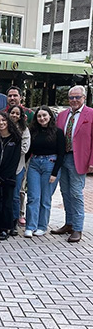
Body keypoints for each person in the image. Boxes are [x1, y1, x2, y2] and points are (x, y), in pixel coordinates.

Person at [53, 85, 93, 243]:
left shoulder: (90, 114)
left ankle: (77, 228)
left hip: (80, 159)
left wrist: (92, 162)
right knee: (65, 192)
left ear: (83, 97)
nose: (74, 100)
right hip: (63, 158)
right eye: (71, 98)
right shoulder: (62, 115)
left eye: (77, 97)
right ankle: (68, 223)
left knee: (76, 194)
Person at [25, 106, 64, 238]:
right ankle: (30, 226)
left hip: (50, 164)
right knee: (33, 197)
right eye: (39, 116)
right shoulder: (32, 131)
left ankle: (42, 226)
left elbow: (61, 154)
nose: (42, 118)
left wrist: (54, 173)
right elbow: (28, 150)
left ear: (50, 117)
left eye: (44, 115)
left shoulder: (58, 132)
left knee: (45, 199)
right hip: (34, 164)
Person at [0, 112, 21, 241]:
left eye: (3, 120)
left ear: (8, 122)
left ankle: (5, 228)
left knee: (7, 202)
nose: (1, 123)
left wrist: (4, 177)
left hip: (8, 177)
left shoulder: (15, 139)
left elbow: (15, 161)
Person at [8, 105, 31, 234]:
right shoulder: (3, 126)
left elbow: (24, 149)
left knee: (15, 196)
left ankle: (13, 222)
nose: (15, 115)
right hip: (4, 167)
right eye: (12, 113)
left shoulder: (24, 130)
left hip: (18, 167)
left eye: (17, 113)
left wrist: (9, 153)